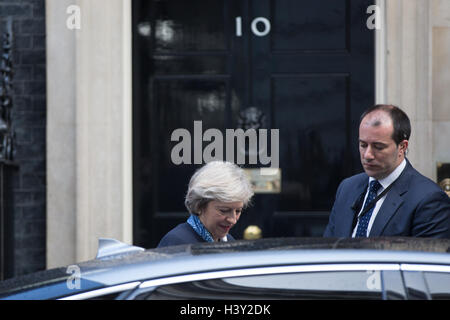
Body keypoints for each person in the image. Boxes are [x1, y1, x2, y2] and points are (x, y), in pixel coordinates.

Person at [324, 104, 450, 238]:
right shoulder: (347, 188)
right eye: (363, 145)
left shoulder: (429, 199)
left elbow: (424, 257)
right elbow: (328, 249)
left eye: (378, 147)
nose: (367, 155)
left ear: (402, 147)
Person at [157, 161, 254, 247]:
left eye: (238, 211)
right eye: (224, 210)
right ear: (199, 205)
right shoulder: (177, 243)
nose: (233, 220)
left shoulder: (228, 241)